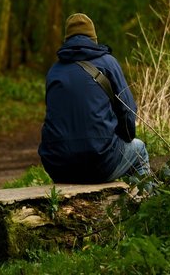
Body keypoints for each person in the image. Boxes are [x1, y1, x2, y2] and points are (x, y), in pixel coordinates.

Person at [38, 13, 150, 184]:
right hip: (100, 163)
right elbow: (127, 112)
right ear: (94, 38)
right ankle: (144, 206)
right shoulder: (108, 63)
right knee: (139, 150)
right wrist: (122, 138)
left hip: (58, 167)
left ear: (66, 39)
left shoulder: (54, 71)